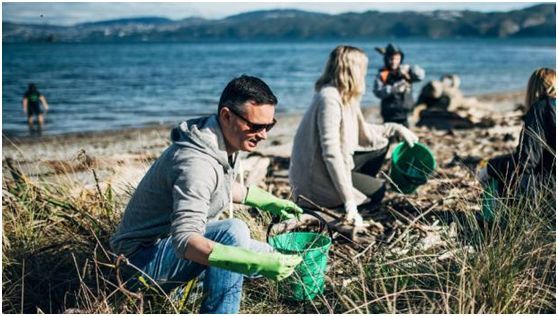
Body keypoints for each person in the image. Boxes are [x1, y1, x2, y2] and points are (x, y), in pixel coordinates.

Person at [110, 75, 303, 314]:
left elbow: (215, 187)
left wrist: (268, 201)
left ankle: (196, 288)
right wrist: (253, 262)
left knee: (277, 256)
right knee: (233, 232)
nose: (263, 135)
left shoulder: (220, 139)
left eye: (269, 126)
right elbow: (184, 241)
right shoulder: (196, 164)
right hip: (136, 265)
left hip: (164, 249)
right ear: (226, 116)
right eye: (255, 126)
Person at [289, 45, 419, 228]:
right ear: (352, 70)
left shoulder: (346, 96)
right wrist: (350, 201)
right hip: (313, 184)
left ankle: (349, 188)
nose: (365, 74)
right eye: (363, 69)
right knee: (378, 190)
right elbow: (331, 153)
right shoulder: (329, 99)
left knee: (381, 143)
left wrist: (395, 128)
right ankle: (341, 202)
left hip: (329, 168)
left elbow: (363, 131)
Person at [477, 68, 556, 196]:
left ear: (533, 90)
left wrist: (490, 168)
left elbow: (525, 162)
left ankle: (499, 213)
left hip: (548, 191)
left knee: (506, 176)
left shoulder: (541, 109)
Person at [373, 43, 425, 126]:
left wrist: (411, 69)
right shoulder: (383, 74)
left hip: (406, 114)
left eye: (397, 59)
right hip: (389, 115)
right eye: (391, 59)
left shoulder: (406, 71)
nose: (394, 62)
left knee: (405, 138)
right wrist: (394, 88)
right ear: (386, 59)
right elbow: (378, 92)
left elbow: (421, 76)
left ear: (401, 59)